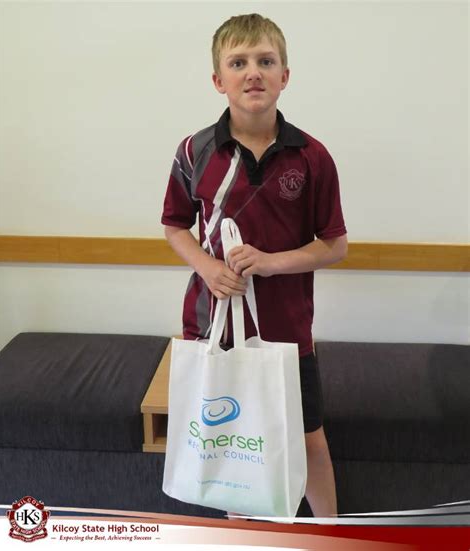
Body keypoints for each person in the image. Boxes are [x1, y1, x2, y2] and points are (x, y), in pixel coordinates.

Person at [161, 13, 347, 518]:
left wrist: (269, 263)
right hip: (213, 327)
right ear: (218, 80)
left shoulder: (312, 157)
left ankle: (332, 534)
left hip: (289, 331)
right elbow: (175, 226)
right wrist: (207, 266)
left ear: (285, 75)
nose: (253, 73)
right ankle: (242, 535)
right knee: (229, 441)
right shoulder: (194, 151)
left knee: (309, 440)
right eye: (238, 63)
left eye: (265, 61)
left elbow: (334, 245)